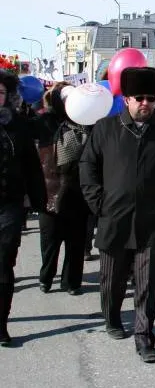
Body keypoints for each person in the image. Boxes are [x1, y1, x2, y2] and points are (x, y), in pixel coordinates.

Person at [80, 67, 155, 363]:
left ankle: (144, 336)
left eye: (151, 98)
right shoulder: (105, 128)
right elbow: (87, 166)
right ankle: (112, 318)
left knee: (148, 283)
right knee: (111, 279)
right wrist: (98, 203)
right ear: (126, 99)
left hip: (151, 220)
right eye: (139, 97)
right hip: (113, 217)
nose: (145, 103)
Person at [0, 70, 46, 346]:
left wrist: (39, 200)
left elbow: (31, 164)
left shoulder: (17, 124)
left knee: (4, 263)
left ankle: (1, 324)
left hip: (9, 203)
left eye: (2, 92)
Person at [37, 83, 92, 295]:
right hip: (50, 189)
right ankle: (46, 277)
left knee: (76, 240)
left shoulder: (88, 123)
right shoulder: (45, 122)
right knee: (50, 239)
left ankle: (72, 281)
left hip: (77, 190)